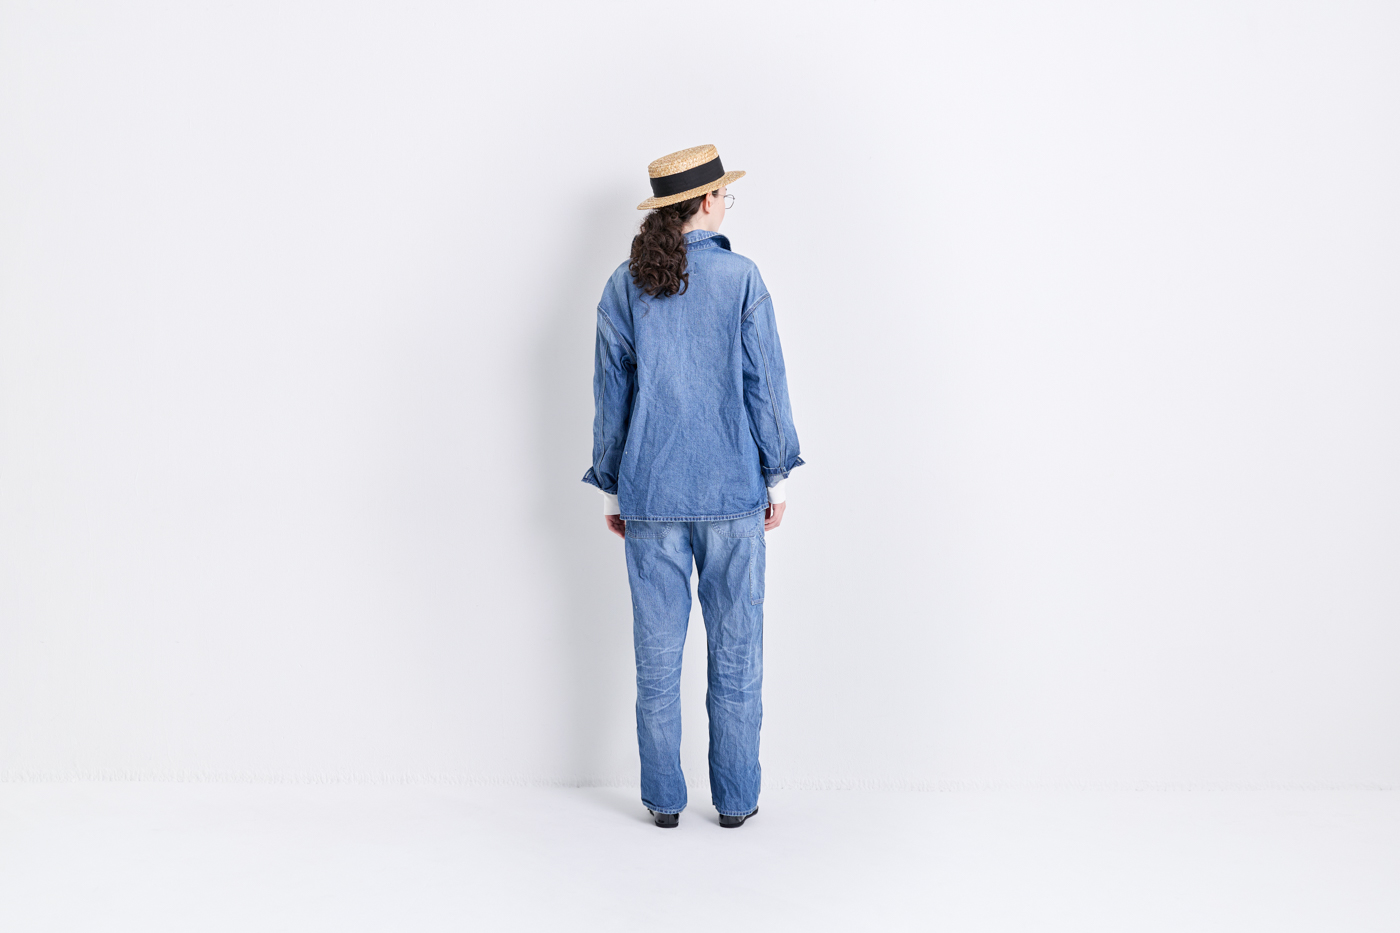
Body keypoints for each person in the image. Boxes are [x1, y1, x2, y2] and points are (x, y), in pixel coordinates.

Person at [582, 144, 804, 829]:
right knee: (736, 653)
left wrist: (614, 488)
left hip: (650, 494)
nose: (724, 204)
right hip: (733, 493)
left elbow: (612, 398)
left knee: (657, 659)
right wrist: (776, 474)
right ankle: (735, 801)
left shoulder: (624, 284)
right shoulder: (742, 278)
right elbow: (765, 386)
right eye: (723, 196)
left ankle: (663, 802)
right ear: (707, 202)